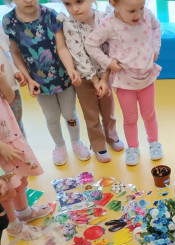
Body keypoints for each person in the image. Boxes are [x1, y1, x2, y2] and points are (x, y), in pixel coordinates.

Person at [3, 0, 91, 166]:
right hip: (39, 84)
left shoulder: (50, 15)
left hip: (64, 78)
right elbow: (15, 53)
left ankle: (76, 142)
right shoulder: (9, 21)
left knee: (70, 115)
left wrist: (70, 69)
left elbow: (62, 47)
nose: (28, 0)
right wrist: (29, 80)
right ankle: (59, 146)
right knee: (51, 117)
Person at [85, 0, 163, 166]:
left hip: (147, 79)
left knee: (149, 114)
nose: (139, 14)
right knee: (130, 118)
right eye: (132, 11)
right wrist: (108, 63)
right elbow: (90, 44)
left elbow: (157, 27)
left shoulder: (147, 14)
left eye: (141, 7)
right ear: (114, 4)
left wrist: (156, 48)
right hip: (125, 82)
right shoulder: (110, 24)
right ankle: (133, 148)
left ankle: (154, 143)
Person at [59, 0, 124, 163]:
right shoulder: (69, 24)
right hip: (84, 78)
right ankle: (98, 145)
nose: (74, 9)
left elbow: (111, 49)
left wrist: (104, 78)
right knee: (91, 115)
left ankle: (111, 136)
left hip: (105, 75)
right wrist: (95, 81)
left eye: (79, 2)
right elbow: (78, 54)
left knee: (108, 111)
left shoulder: (105, 18)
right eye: (68, 4)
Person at [0, 63, 50, 240]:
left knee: (21, 180)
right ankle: (13, 226)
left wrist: (2, 80)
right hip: (2, 150)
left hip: (12, 140)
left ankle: (24, 212)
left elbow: (9, 98)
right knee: (6, 191)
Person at [0, 26, 26, 137]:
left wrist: (15, 71)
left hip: (12, 90)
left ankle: (23, 145)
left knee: (17, 124)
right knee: (4, 131)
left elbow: (7, 54)